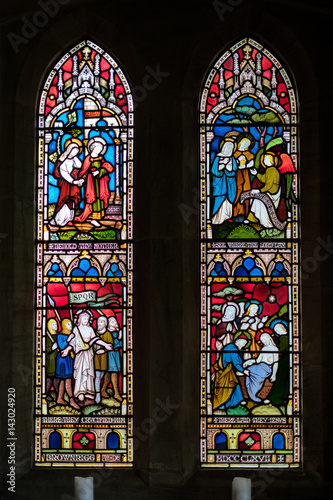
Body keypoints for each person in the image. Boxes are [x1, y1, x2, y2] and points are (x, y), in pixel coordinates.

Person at [61, 310, 112, 405]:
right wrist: (67, 350)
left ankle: (89, 392)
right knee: (80, 373)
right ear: (80, 319)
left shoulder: (90, 329)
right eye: (84, 318)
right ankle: (80, 392)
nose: (86, 320)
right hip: (80, 355)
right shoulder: (76, 329)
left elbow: (96, 339)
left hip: (89, 354)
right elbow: (72, 343)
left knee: (89, 374)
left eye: (88, 318)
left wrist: (105, 345)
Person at [74, 137, 114, 224]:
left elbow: (107, 168)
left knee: (99, 198)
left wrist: (99, 172)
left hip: (100, 182)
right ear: (93, 148)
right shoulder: (88, 159)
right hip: (91, 182)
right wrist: (83, 179)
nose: (100, 150)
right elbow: (83, 171)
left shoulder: (101, 158)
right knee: (92, 198)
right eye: (98, 148)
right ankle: (92, 218)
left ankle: (98, 217)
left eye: (101, 149)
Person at [50, 138, 84, 227]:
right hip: (66, 184)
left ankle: (69, 219)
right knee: (64, 200)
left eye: (76, 152)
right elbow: (63, 173)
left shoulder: (75, 159)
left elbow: (80, 166)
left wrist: (79, 180)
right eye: (73, 152)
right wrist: (74, 181)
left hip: (73, 185)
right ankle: (59, 220)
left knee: (72, 200)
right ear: (69, 150)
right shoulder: (63, 161)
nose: (74, 154)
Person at [212, 334, 247, 410]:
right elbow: (236, 363)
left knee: (235, 385)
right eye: (243, 344)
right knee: (231, 386)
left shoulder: (229, 347)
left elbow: (238, 361)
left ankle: (238, 401)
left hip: (225, 371)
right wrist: (244, 370)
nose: (242, 347)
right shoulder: (232, 348)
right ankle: (225, 404)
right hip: (227, 372)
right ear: (239, 341)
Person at [246, 151, 281, 228]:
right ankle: (253, 218)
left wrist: (259, 191)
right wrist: (256, 174)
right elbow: (263, 179)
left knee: (259, 201)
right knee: (256, 200)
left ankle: (265, 222)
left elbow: (268, 185)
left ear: (270, 160)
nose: (264, 161)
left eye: (265, 159)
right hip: (269, 193)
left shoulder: (273, 171)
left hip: (272, 195)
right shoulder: (269, 170)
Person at [243, 333, 279, 404]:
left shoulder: (275, 349)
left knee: (252, 372)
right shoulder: (264, 348)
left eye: (265, 339)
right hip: (260, 365)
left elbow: (276, 363)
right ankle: (250, 391)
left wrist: (274, 374)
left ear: (269, 338)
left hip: (267, 368)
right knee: (249, 369)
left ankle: (253, 394)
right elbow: (257, 360)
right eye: (262, 340)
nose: (264, 341)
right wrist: (248, 361)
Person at [211, 137, 238, 225]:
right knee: (220, 200)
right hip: (219, 184)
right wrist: (223, 164)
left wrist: (228, 166)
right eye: (228, 147)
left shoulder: (232, 158)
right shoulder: (218, 158)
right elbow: (215, 171)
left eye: (231, 148)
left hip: (230, 185)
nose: (230, 150)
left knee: (229, 202)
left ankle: (228, 217)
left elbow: (233, 171)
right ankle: (216, 219)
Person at [55, 318, 80, 409]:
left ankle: (59, 398)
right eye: (68, 324)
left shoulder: (71, 334)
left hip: (69, 358)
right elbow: (61, 346)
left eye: (70, 324)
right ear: (64, 325)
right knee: (67, 379)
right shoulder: (60, 335)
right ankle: (71, 400)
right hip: (63, 360)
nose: (70, 326)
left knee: (63, 380)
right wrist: (69, 339)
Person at [233, 133, 256, 218]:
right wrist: (238, 164)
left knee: (246, 192)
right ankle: (235, 213)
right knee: (236, 192)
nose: (245, 145)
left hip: (246, 175)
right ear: (239, 142)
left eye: (247, 144)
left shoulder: (249, 154)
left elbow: (252, 163)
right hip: (236, 176)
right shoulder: (234, 153)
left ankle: (246, 213)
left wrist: (245, 166)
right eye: (243, 143)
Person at [94, 316, 113, 404]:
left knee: (102, 376)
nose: (99, 323)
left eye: (101, 322)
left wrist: (103, 350)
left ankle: (100, 391)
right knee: (97, 376)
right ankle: (97, 394)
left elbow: (110, 346)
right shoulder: (94, 333)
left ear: (105, 324)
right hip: (95, 359)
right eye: (98, 321)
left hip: (104, 359)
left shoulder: (108, 334)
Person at [106, 316, 123, 402]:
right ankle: (116, 393)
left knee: (109, 374)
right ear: (108, 325)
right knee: (113, 372)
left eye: (115, 320)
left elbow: (120, 345)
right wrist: (119, 338)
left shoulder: (116, 332)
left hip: (116, 354)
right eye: (112, 321)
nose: (115, 322)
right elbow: (113, 344)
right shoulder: (108, 333)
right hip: (110, 354)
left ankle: (102, 390)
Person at [46, 318, 59, 401]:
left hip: (57, 360)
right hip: (50, 361)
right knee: (49, 380)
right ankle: (46, 394)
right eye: (53, 324)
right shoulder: (47, 336)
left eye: (56, 324)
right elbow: (44, 349)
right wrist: (52, 348)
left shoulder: (58, 336)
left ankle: (59, 395)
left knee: (57, 380)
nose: (56, 326)